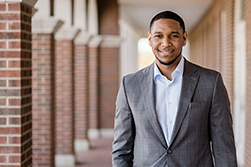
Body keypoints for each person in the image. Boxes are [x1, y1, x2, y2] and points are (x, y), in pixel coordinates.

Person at [112, 10, 237, 167]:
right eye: (159, 36)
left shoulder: (211, 82)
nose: (166, 43)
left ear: (184, 38)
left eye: (173, 35)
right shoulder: (130, 85)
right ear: (150, 39)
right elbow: (121, 151)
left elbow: (224, 149)